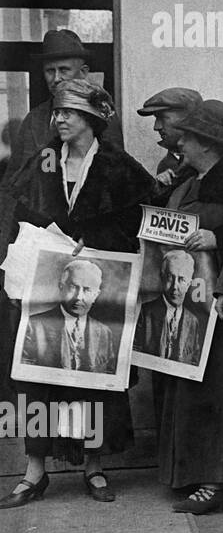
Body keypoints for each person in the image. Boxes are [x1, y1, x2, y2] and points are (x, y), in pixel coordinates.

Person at [0, 79, 153, 509]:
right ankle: (34, 472)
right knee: (36, 374)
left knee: (93, 378)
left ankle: (94, 467)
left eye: (69, 112)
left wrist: (96, 240)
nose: (59, 118)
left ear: (92, 118)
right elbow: (20, 220)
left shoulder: (119, 168)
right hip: (45, 285)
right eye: (58, 112)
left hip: (94, 285)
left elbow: (135, 226)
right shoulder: (42, 163)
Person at [153, 99, 223, 515]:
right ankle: (195, 471)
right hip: (187, 300)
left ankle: (222, 478)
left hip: (221, 300)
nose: (182, 142)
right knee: (192, 386)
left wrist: (218, 235)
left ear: (209, 144)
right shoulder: (190, 178)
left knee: (221, 387)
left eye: (190, 137)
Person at [0, 30, 124, 264]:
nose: (56, 78)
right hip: (38, 236)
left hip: (84, 239)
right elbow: (11, 187)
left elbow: (116, 183)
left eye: (64, 70)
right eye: (50, 71)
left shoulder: (103, 117)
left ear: (84, 73)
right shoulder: (34, 120)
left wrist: (98, 232)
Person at [22, 259, 116, 373]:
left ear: (96, 295)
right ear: (61, 287)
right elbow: (24, 372)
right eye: (73, 287)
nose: (79, 297)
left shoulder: (105, 332)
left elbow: (109, 374)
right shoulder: (32, 326)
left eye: (87, 290)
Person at [133, 250, 204, 364]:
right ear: (162, 278)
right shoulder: (144, 312)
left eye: (181, 279)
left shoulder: (192, 321)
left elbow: (193, 361)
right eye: (170, 277)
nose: (175, 286)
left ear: (189, 284)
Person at [136, 86, 202, 194]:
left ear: (188, 118)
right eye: (156, 119)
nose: (156, 127)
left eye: (163, 118)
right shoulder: (167, 164)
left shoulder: (213, 160)